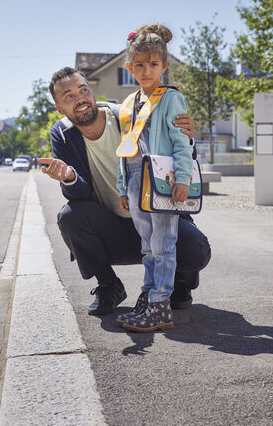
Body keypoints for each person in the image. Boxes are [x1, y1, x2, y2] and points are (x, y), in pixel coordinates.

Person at [40, 65, 211, 321]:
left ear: (91, 92)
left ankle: (180, 283)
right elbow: (80, 194)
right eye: (69, 96)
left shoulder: (127, 116)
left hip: (155, 220)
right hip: (113, 228)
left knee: (196, 247)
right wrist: (69, 177)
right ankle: (109, 286)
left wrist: (186, 137)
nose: (80, 99)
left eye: (83, 90)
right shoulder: (62, 134)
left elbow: (173, 156)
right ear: (59, 107)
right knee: (70, 216)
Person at [114, 23, 192, 332]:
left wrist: (183, 178)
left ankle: (161, 306)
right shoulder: (128, 104)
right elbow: (123, 147)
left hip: (162, 179)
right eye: (141, 65)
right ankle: (147, 298)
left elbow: (181, 142)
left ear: (165, 65)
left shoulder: (170, 99)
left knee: (163, 243)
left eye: (154, 64)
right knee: (147, 245)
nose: (147, 70)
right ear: (130, 66)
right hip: (135, 178)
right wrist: (123, 186)